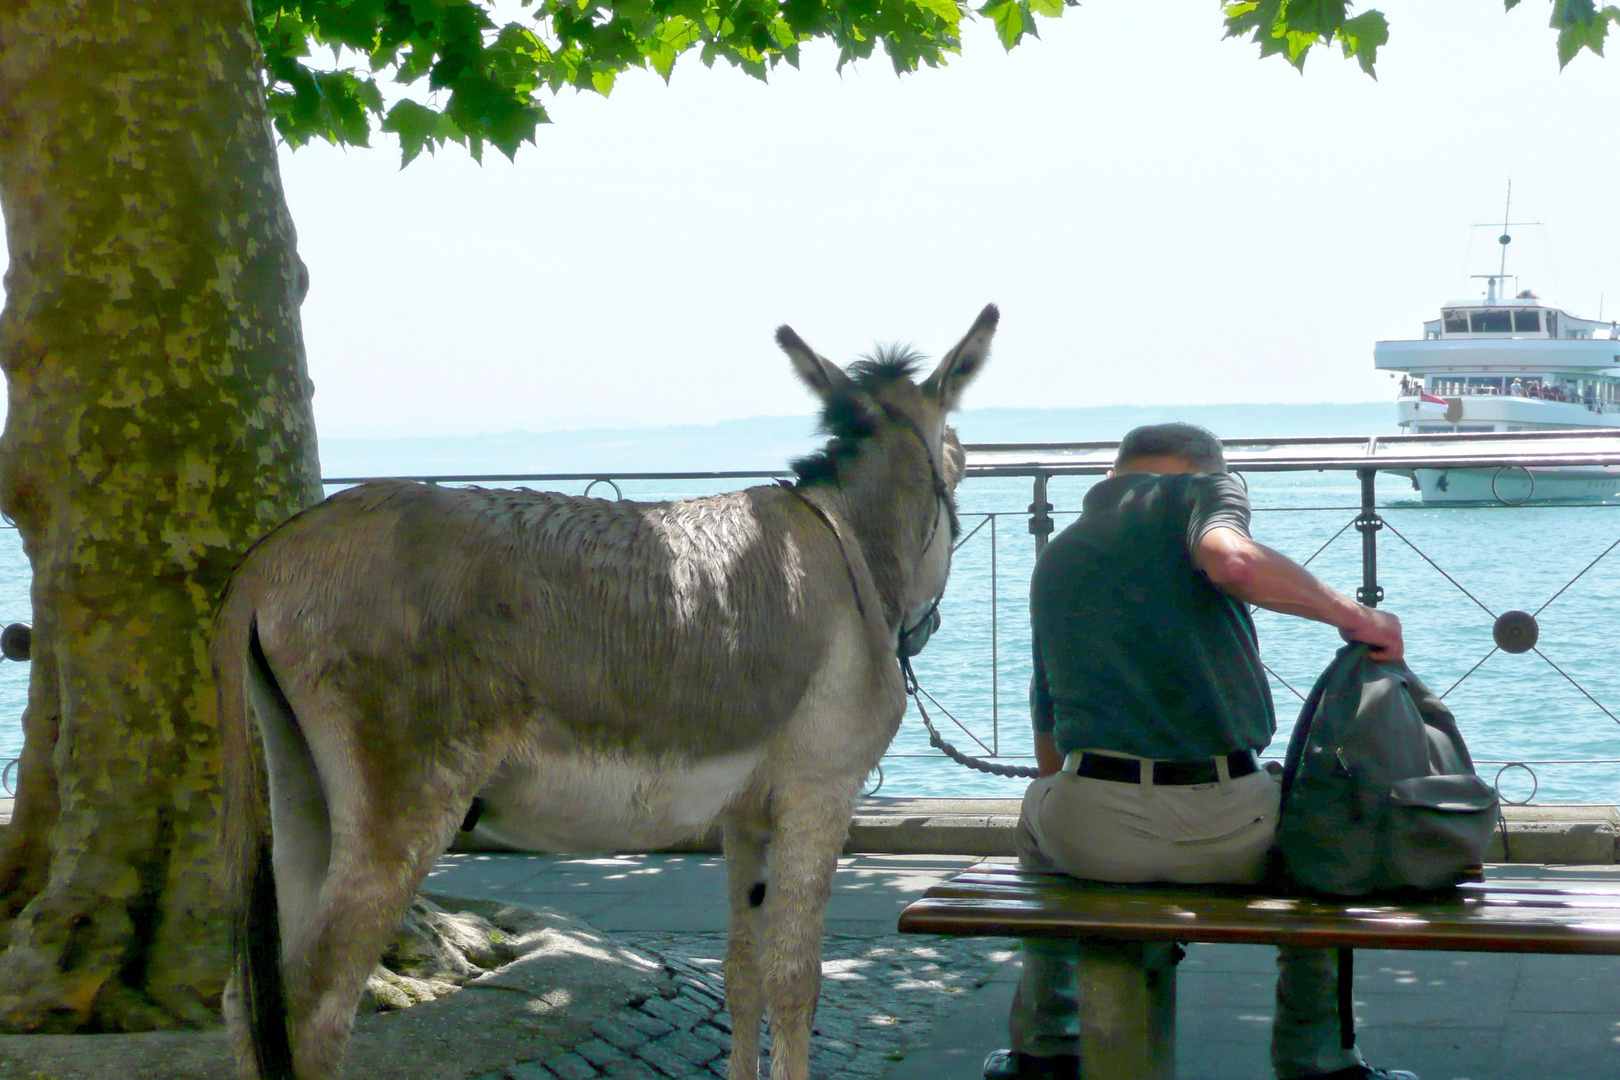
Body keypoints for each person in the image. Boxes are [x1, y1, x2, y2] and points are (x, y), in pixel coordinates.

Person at [983, 423, 1415, 1080]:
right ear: (1204, 472)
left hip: (1094, 834)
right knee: (1323, 849)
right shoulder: (1193, 493)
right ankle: (1319, 1060)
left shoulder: (1058, 556)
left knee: (1039, 811)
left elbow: (1049, 749)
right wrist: (1357, 618)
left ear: (1111, 475)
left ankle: (1046, 1046)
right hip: (1230, 826)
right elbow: (1233, 561)